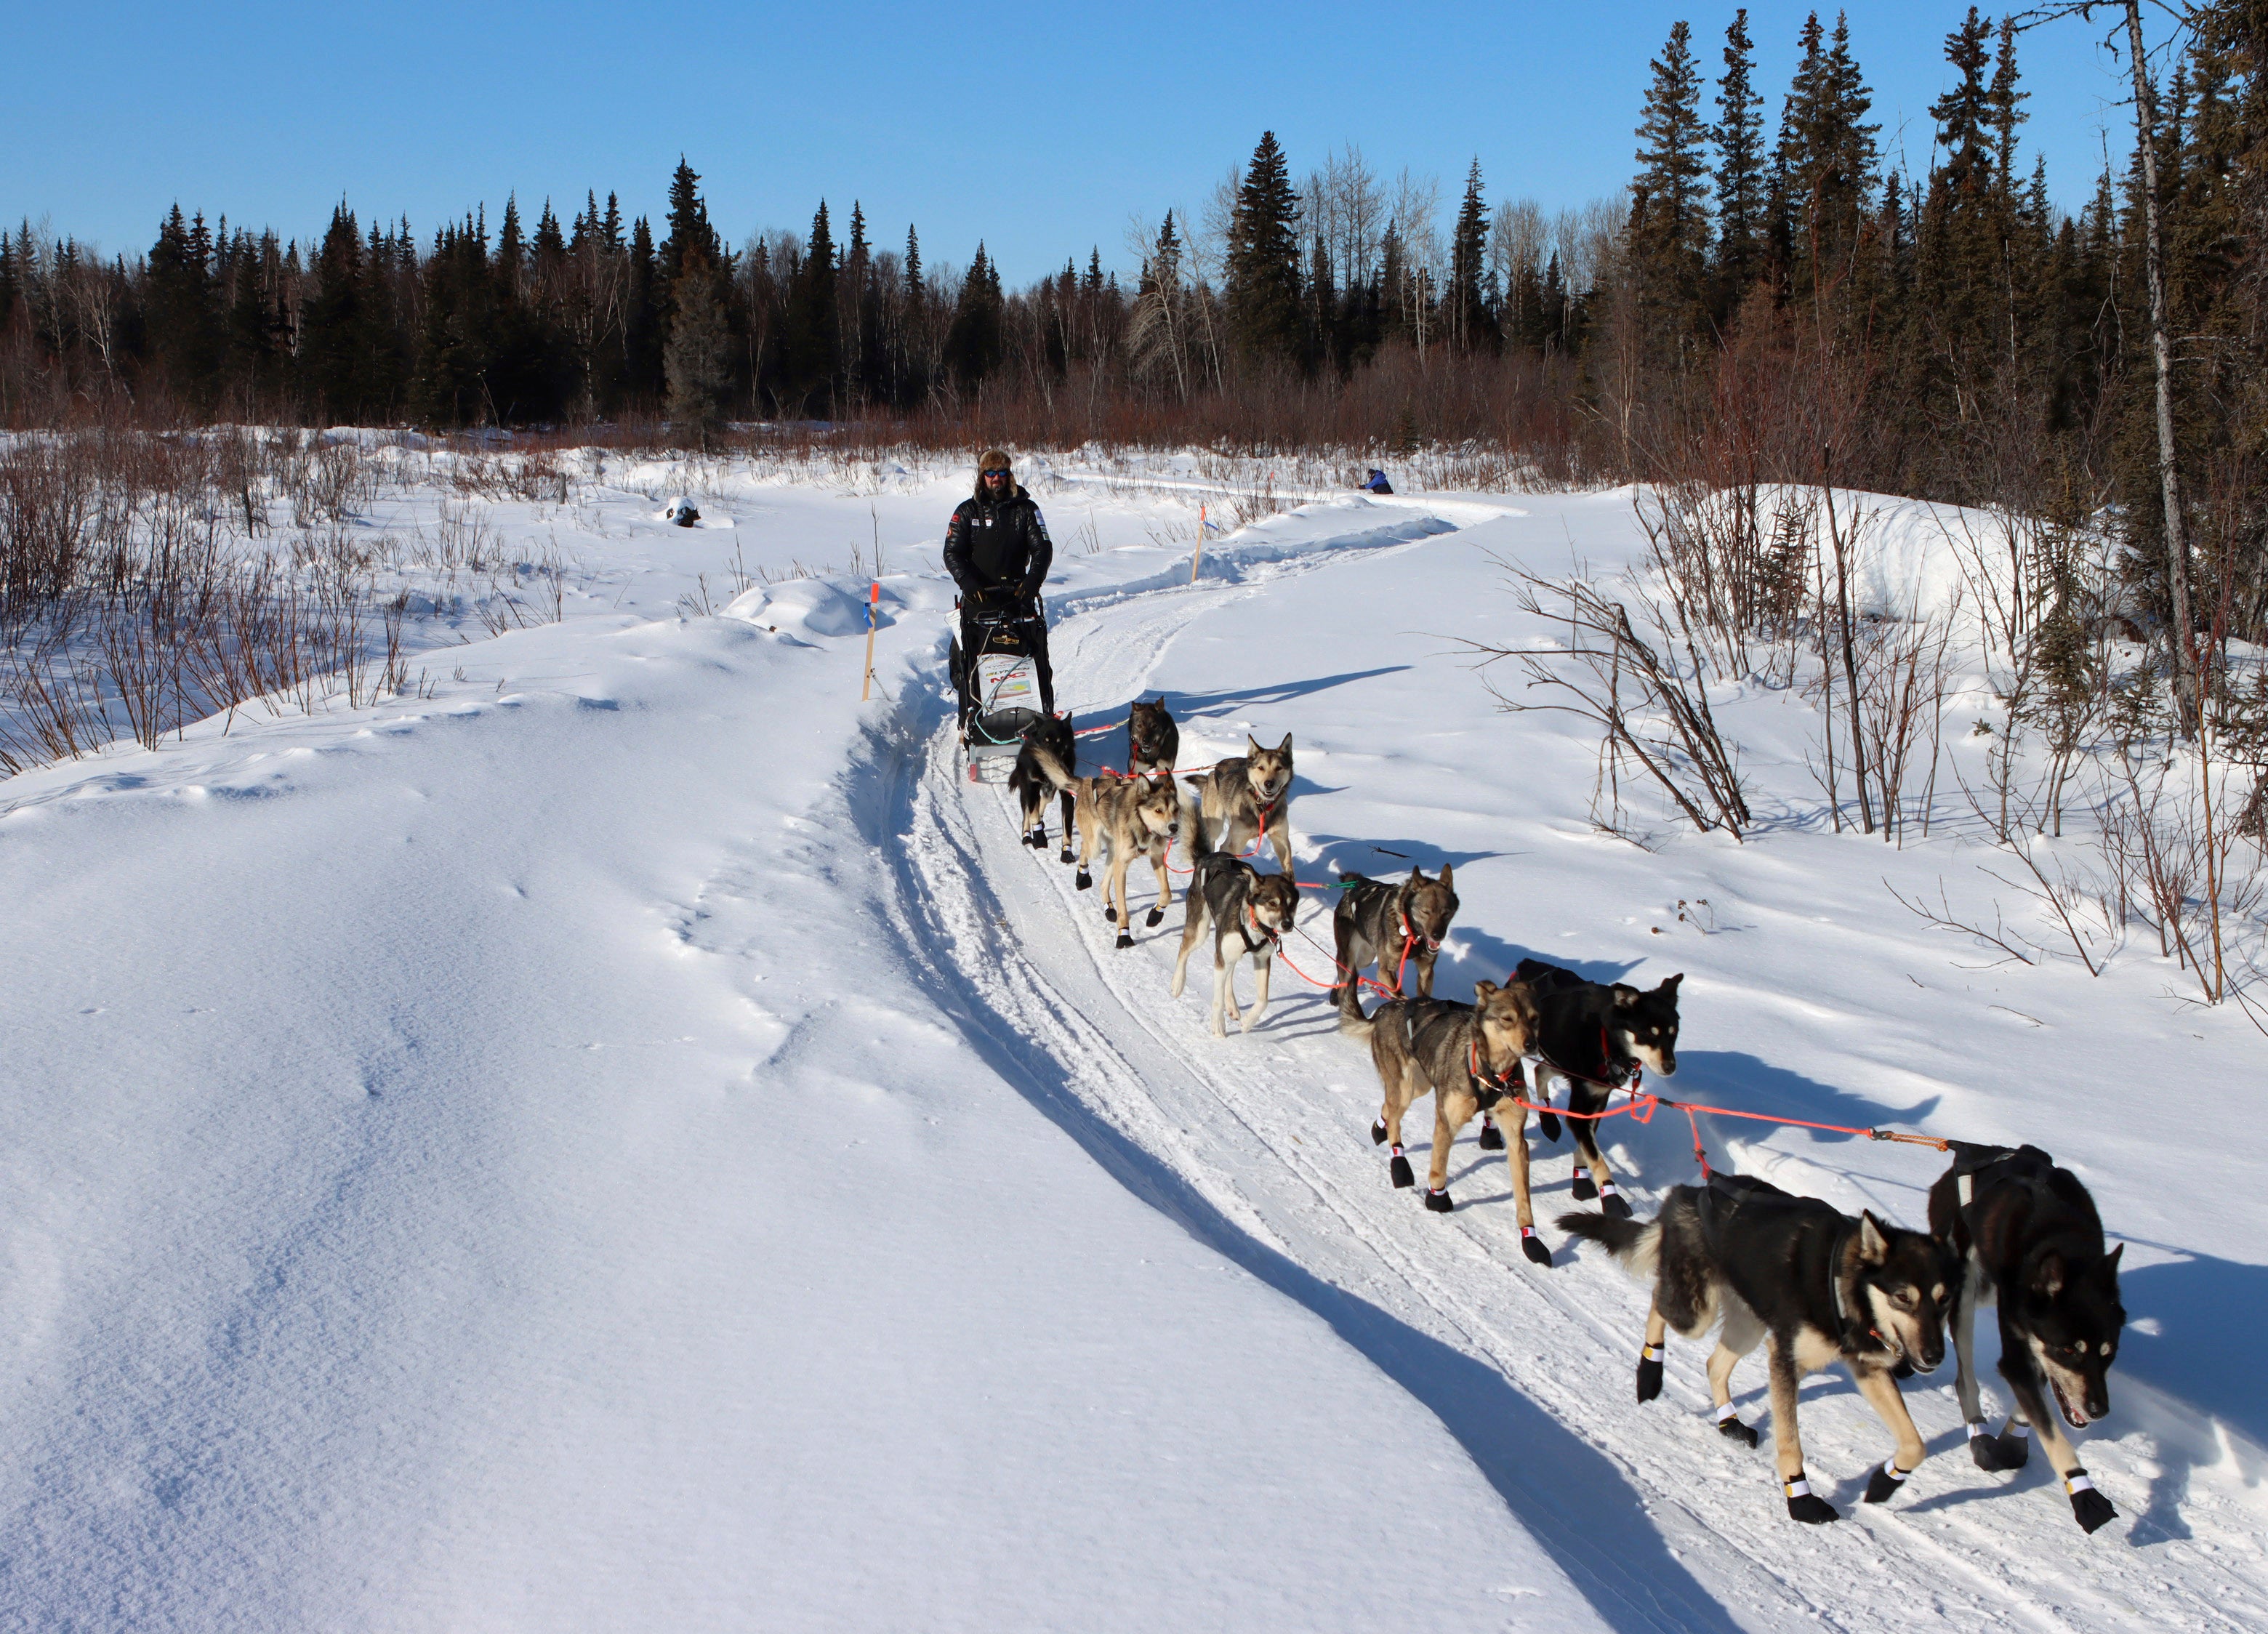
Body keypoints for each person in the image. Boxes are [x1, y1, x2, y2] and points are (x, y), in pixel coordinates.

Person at [944, 449, 1055, 730]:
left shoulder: (1026, 510)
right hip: (980, 600)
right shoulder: (967, 511)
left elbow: (1043, 548)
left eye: (1002, 473)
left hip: (1018, 598)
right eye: (991, 474)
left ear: (1009, 476)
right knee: (969, 660)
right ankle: (972, 718)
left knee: (1034, 656)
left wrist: (1032, 583)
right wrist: (967, 583)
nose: (997, 479)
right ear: (982, 477)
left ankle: (1041, 715)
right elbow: (952, 552)